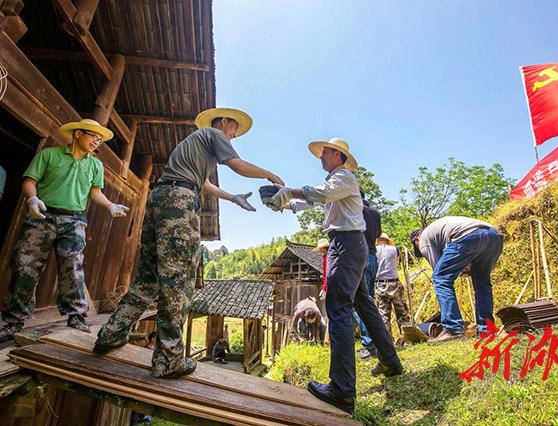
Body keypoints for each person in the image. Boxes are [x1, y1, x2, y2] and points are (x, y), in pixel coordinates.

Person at [94, 108, 284, 379]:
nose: (234, 136)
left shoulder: (196, 145)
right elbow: (237, 164)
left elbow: (204, 183)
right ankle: (169, 359)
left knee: (148, 277)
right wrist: (270, 175)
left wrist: (233, 198)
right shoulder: (214, 133)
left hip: (160, 196)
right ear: (225, 122)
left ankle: (111, 333)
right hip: (179, 202)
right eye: (234, 130)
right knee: (178, 280)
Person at [266, 137, 402, 415]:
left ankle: (342, 390)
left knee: (338, 309)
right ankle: (390, 361)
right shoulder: (335, 184)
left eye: (325, 152)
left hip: (346, 246)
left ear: (339, 155)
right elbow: (312, 201)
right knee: (364, 304)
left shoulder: (344, 177)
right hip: (351, 246)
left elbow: (319, 194)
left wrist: (289, 191)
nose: (321, 157)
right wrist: (283, 203)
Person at [0, 119, 129, 343]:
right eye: (93, 136)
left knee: (73, 267)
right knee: (25, 265)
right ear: (78, 134)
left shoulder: (95, 165)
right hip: (42, 215)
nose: (97, 141)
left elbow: (95, 192)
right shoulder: (49, 155)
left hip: (74, 220)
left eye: (100, 139)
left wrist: (109, 205)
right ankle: (13, 320)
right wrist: (32, 199)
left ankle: (76, 317)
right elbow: (30, 181)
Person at [410, 216, 504, 344]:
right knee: (482, 282)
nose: (422, 251)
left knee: (440, 278)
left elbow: (439, 271)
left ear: (416, 239)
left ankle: (452, 329)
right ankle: (487, 330)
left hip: (469, 237)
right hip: (494, 236)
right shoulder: (442, 229)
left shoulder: (423, 240)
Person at [354, 190, 381, 360]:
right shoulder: (375, 213)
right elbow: (377, 235)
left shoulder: (354, 208)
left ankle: (368, 345)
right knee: (370, 301)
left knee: (361, 304)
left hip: (359, 257)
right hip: (373, 257)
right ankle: (374, 342)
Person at [375, 233, 411, 334]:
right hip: (394, 283)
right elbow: (398, 261)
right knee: (402, 312)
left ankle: (388, 341)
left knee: (383, 315)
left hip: (380, 284)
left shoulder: (373, 250)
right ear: (388, 240)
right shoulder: (395, 250)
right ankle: (406, 337)